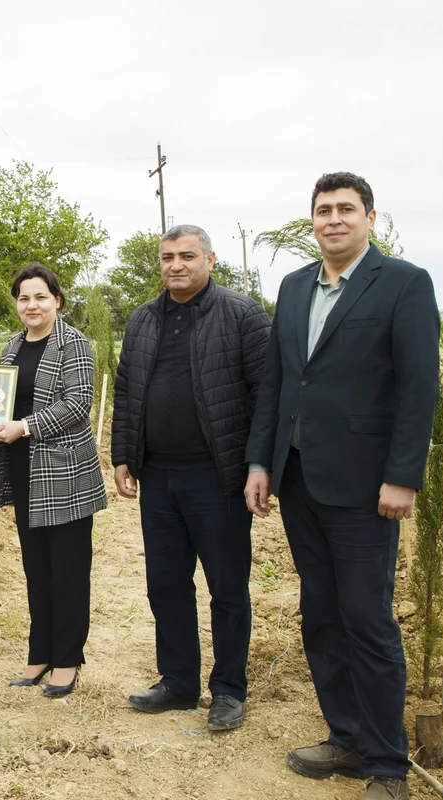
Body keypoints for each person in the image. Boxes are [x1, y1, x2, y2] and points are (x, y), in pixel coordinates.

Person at [244, 173, 439, 800]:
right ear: (313, 220)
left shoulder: (404, 284)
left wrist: (403, 476)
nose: (333, 219)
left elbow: (417, 389)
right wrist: (260, 464)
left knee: (367, 619)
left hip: (366, 487)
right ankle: (347, 737)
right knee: (321, 614)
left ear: (370, 217)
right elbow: (277, 383)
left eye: (345, 209)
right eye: (323, 210)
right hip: (300, 479)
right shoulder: (296, 286)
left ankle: (388, 765)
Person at [111, 225, 270, 731]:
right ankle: (178, 682)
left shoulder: (241, 315)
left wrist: (258, 466)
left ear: (210, 259)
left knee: (226, 588)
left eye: (186, 256)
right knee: (166, 586)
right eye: (167, 258)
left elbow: (267, 394)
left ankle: (228, 690)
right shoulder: (143, 319)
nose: (175, 265)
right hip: (158, 477)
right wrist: (123, 455)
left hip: (218, 479)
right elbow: (127, 391)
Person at [0, 263, 106, 698]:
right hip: (23, 471)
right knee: (37, 568)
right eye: (23, 297)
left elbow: (78, 404)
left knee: (69, 570)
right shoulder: (13, 346)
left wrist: (26, 426)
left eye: (40, 296)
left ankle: (67, 660)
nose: (31, 305)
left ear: (56, 300)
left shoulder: (72, 342)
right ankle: (40, 655)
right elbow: (0, 399)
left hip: (65, 474)